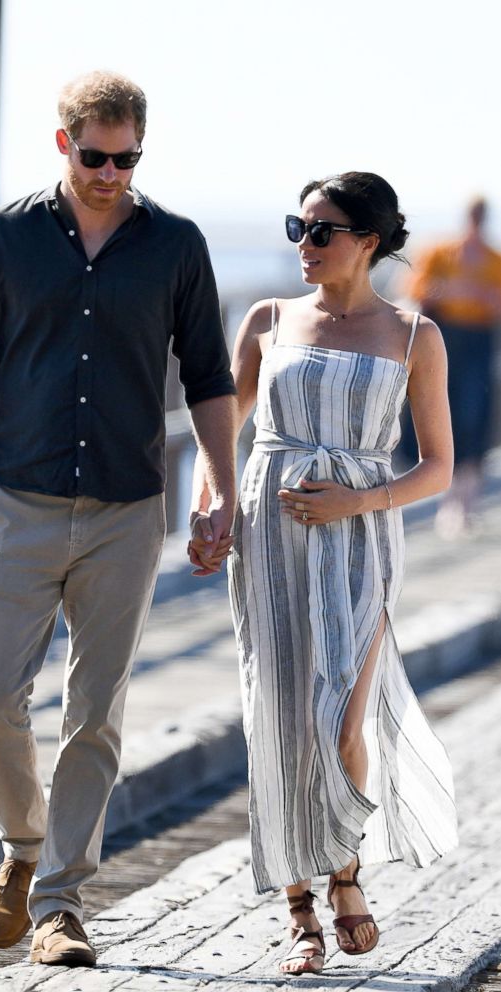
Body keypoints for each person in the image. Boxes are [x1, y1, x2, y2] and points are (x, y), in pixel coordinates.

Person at [0, 70, 236, 968]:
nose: (111, 173)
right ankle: (22, 847)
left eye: (127, 158)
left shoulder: (174, 244)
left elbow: (209, 375)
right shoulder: (6, 237)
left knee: (94, 713)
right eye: (96, 156)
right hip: (14, 500)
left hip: (126, 510)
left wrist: (218, 487)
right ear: (64, 144)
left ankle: (59, 902)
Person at [189, 172, 457, 975]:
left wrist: (356, 502)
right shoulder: (267, 321)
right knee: (276, 716)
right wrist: (208, 508)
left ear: (367, 240)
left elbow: (439, 468)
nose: (302, 246)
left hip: (361, 541)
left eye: (320, 231)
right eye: (295, 229)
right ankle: (299, 910)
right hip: (269, 534)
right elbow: (221, 437)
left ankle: (345, 868)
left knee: (341, 717)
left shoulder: (414, 335)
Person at [407, 197, 501, 536]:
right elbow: (417, 287)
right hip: (444, 338)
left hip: (477, 340)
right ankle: (446, 501)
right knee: (439, 413)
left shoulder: (493, 259)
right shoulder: (441, 252)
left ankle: (466, 499)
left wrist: (475, 296)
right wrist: (455, 291)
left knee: (474, 414)